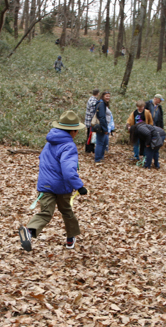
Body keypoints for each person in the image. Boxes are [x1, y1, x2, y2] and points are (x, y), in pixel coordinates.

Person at [18, 111, 87, 251]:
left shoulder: (49, 143)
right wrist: (79, 186)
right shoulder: (69, 146)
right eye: (76, 131)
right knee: (67, 211)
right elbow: (68, 170)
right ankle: (70, 239)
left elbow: (43, 161)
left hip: (45, 185)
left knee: (45, 212)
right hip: (62, 186)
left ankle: (30, 232)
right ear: (72, 131)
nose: (77, 134)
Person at [94, 91, 111, 164]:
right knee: (100, 143)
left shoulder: (103, 103)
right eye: (106, 96)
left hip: (104, 126)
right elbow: (102, 117)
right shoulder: (101, 104)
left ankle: (101, 157)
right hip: (101, 126)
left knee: (104, 142)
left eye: (109, 96)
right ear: (103, 96)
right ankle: (97, 159)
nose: (108, 97)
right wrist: (105, 129)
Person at [84, 89, 100, 154]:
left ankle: (91, 148)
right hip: (91, 122)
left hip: (88, 121)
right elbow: (92, 112)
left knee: (90, 134)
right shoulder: (94, 101)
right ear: (98, 93)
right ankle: (88, 149)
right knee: (90, 135)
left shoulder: (91, 99)